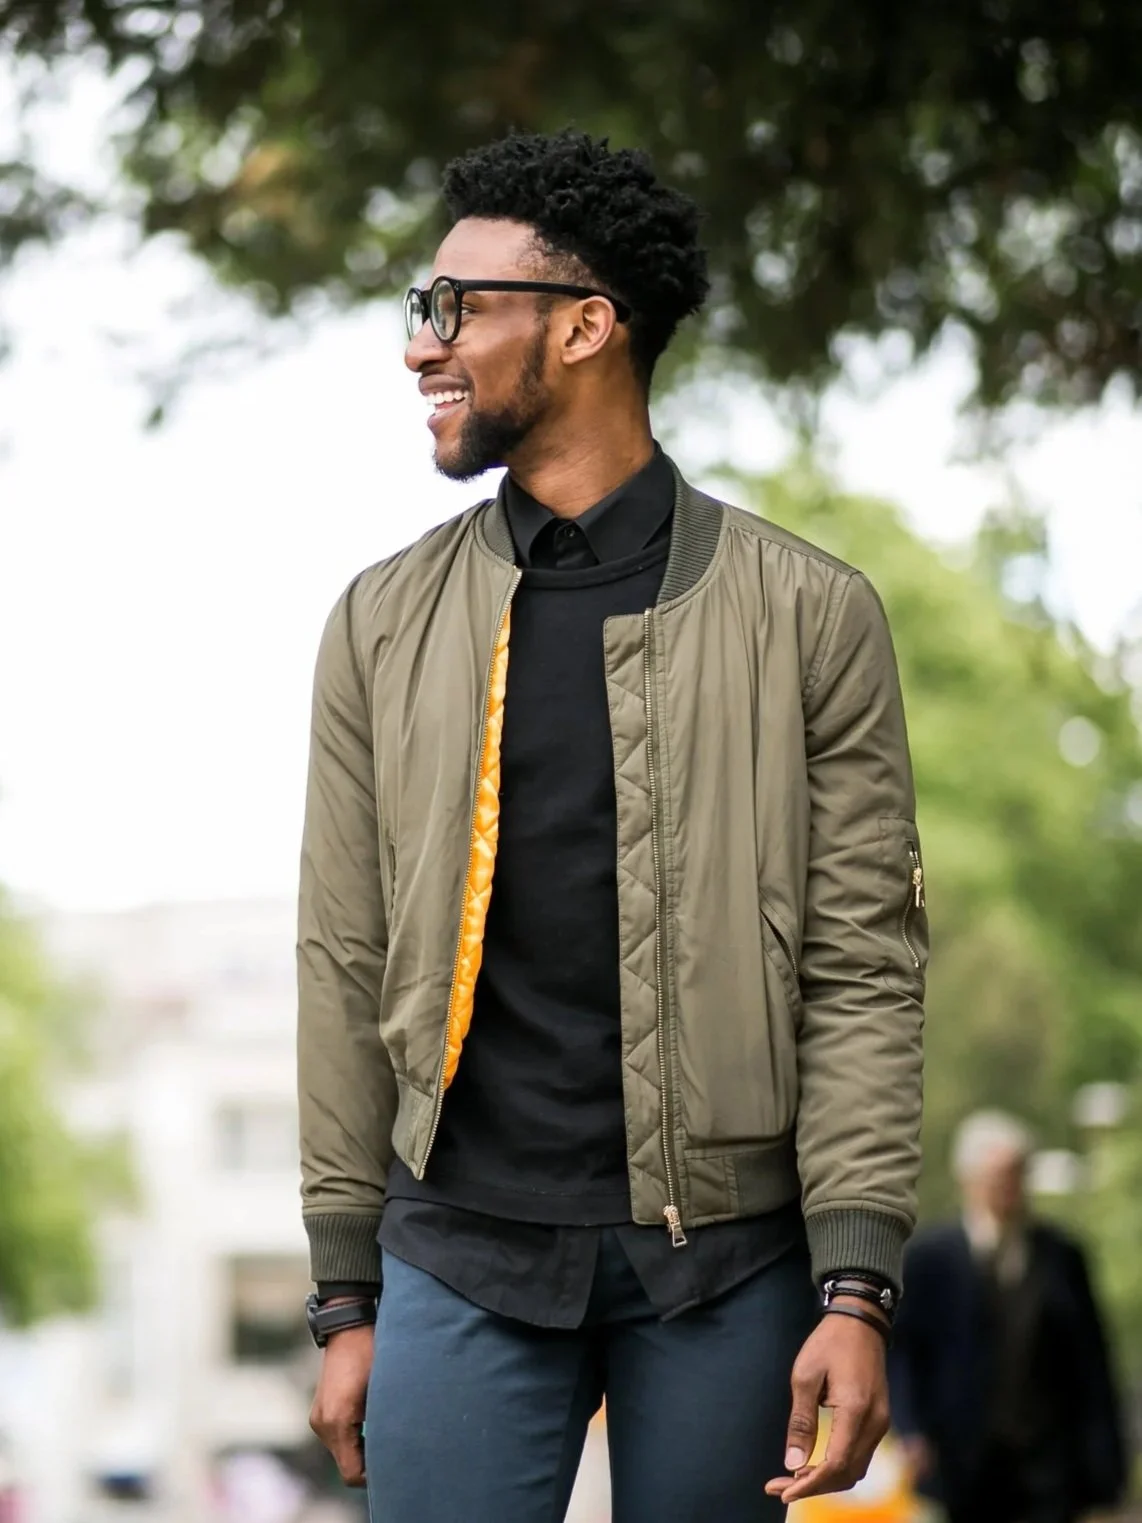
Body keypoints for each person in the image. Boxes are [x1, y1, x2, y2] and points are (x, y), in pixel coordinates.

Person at [296, 129, 928, 1523]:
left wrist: (858, 1284)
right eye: (425, 305)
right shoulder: (379, 622)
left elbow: (863, 966)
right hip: (455, 1247)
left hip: (729, 1263)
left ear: (586, 326)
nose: (421, 345)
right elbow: (341, 956)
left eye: (457, 306)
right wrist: (344, 1291)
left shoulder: (810, 615)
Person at [889, 1110, 1127, 1523]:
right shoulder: (928, 1258)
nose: (1008, 1187)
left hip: (1050, 1465)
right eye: (997, 1176)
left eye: (1017, 1174)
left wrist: (1106, 1458)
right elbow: (903, 1352)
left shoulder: (1063, 1255)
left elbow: (1092, 1362)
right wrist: (910, 1431)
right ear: (969, 1179)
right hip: (960, 1462)